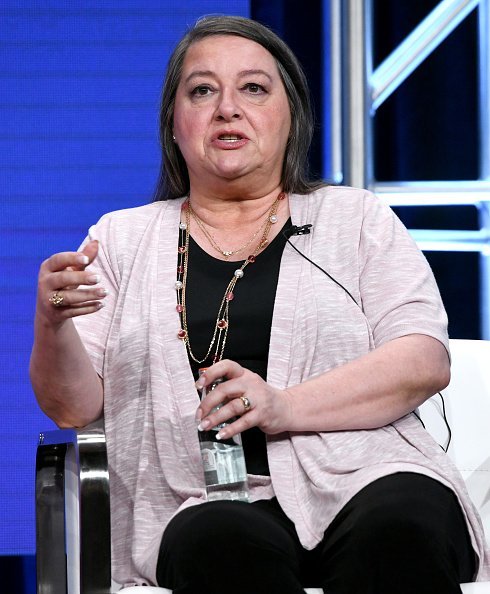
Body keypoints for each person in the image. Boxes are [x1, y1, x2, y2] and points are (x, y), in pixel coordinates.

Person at [30, 15, 489, 594]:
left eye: (253, 87)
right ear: (174, 123)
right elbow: (71, 407)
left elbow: (423, 359)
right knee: (221, 543)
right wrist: (52, 326)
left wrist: (284, 406)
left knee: (400, 528)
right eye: (202, 90)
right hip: (199, 496)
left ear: (289, 115)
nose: (227, 108)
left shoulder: (355, 219)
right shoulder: (120, 240)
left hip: (368, 475)